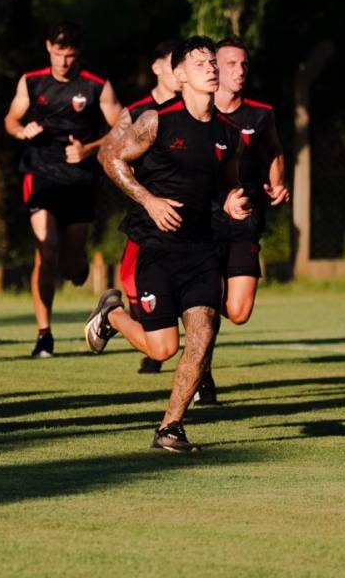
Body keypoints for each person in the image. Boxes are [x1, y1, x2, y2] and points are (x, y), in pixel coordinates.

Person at [86, 36, 250, 452]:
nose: (211, 68)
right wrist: (149, 199)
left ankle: (170, 427)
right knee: (164, 347)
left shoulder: (229, 133)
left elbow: (229, 182)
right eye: (199, 63)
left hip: (201, 248)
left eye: (213, 61)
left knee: (204, 334)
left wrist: (232, 201)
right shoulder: (157, 120)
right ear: (180, 75)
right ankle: (112, 315)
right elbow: (112, 159)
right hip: (153, 245)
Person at [4, 22, 122, 357]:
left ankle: (77, 267)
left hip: (81, 180)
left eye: (70, 55)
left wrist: (90, 149)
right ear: (48, 48)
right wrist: (21, 130)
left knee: (70, 265)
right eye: (58, 54)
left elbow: (125, 127)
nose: (63, 62)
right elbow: (10, 120)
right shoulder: (32, 81)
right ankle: (44, 334)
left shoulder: (97, 86)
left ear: (78, 55)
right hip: (40, 174)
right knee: (46, 248)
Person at [194, 37, 290, 405]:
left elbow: (275, 150)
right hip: (204, 221)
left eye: (244, 65)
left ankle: (198, 326)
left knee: (238, 311)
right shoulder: (197, 113)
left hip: (246, 220)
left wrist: (277, 183)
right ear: (215, 67)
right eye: (231, 64)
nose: (239, 71)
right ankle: (201, 370)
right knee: (206, 300)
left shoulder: (260, 113)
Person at [101, 39, 181, 375]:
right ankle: (120, 320)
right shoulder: (137, 113)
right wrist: (145, 195)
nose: (181, 72)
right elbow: (109, 155)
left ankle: (202, 378)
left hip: (193, 218)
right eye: (173, 64)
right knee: (137, 288)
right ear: (157, 67)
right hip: (149, 217)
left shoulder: (195, 109)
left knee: (199, 295)